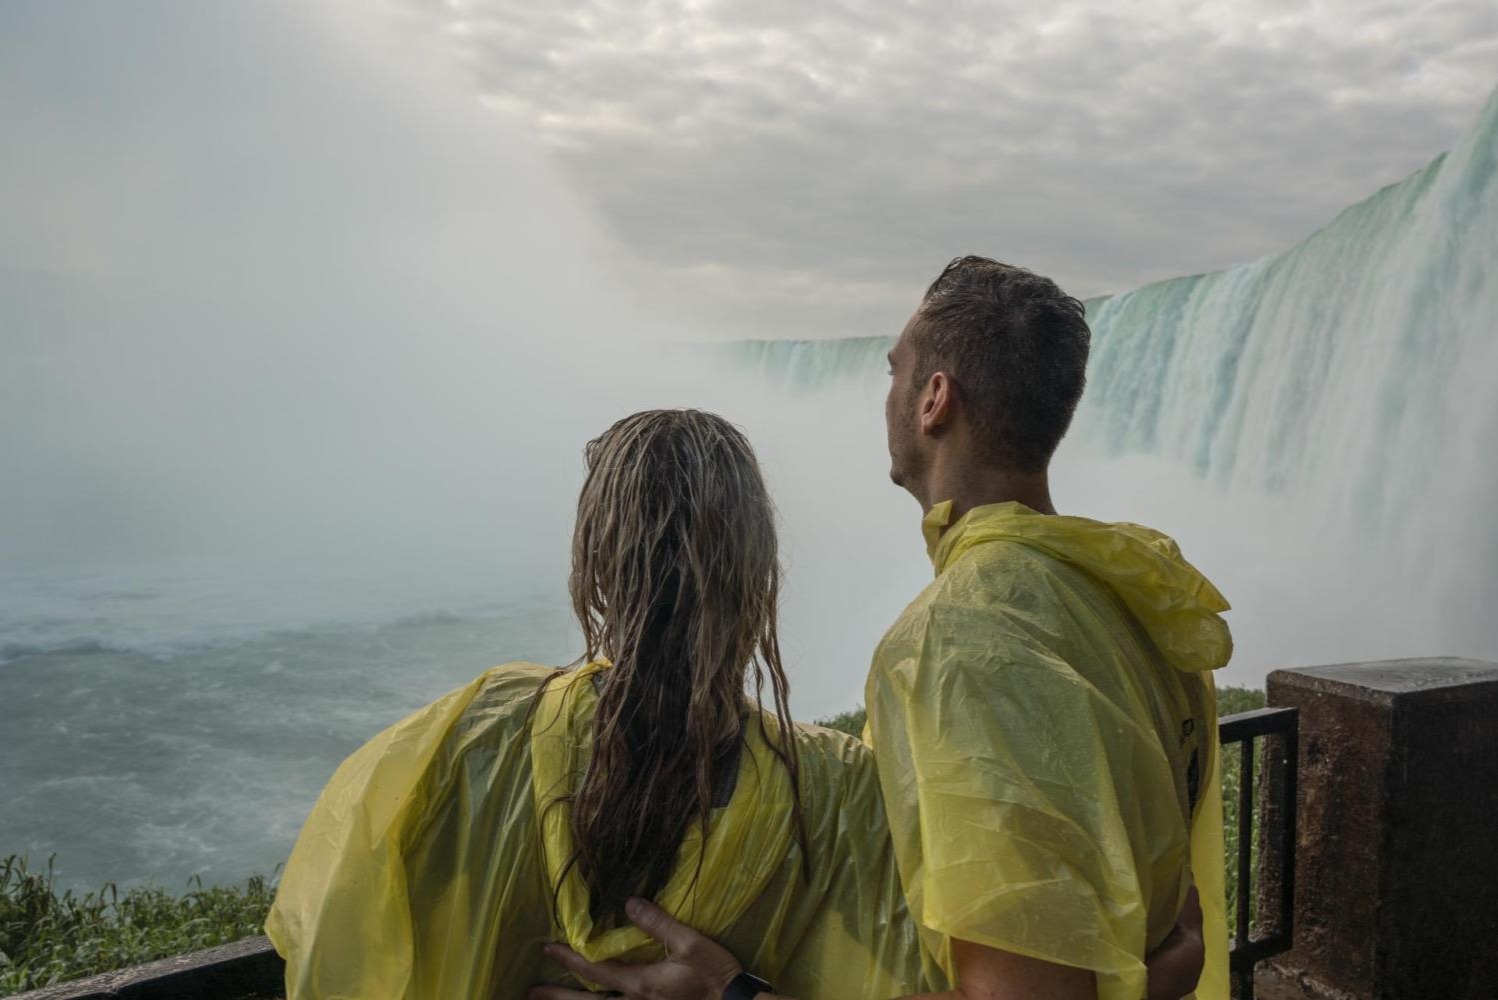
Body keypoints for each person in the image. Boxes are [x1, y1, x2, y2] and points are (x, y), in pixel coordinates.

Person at [264, 408, 1205, 1000]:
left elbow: (357, 938)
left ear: (596, 569)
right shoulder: (837, 798)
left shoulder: (466, 748)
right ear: (760, 576)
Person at [536, 258, 1232, 1000]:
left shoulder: (957, 644)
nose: (887, 394)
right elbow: (1168, 913)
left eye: (894, 371)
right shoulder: (1136, 601)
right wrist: (1177, 962)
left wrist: (728, 993)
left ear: (935, 400)